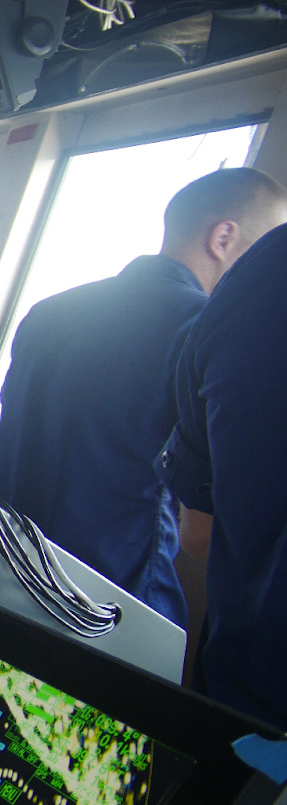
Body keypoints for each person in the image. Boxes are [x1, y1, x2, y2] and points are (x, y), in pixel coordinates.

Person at [0, 168, 287, 630]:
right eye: (262, 249)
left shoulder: (51, 311)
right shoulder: (204, 328)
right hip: (108, 596)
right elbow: (204, 530)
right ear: (224, 237)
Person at [160, 217, 287, 732]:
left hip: (248, 710)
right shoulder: (183, 311)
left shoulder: (259, 279)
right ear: (222, 235)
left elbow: (201, 534)